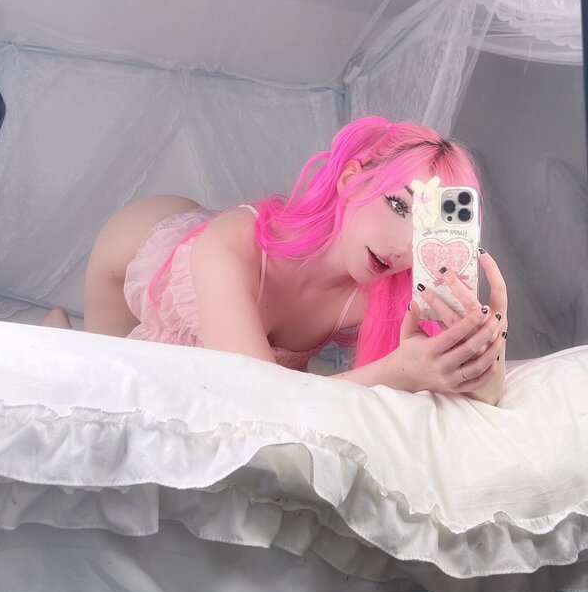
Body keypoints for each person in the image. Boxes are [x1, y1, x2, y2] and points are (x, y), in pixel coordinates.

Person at [42, 116, 508, 405]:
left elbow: (469, 394)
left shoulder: (387, 292)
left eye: (424, 228)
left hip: (234, 261)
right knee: (95, 387)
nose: (402, 246)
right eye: (398, 205)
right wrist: (395, 374)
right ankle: (56, 330)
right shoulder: (228, 247)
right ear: (351, 179)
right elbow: (257, 397)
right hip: (140, 244)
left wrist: (485, 357)